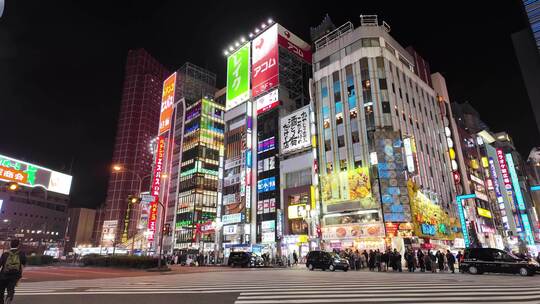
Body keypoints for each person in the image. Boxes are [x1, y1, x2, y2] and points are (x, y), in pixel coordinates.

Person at [0, 239, 26, 304]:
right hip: (15, 275)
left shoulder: (5, 254)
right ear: (18, 245)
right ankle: (9, 296)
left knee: (1, 289)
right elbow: (24, 264)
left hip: (4, 275)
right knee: (11, 288)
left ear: (10, 245)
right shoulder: (21, 254)